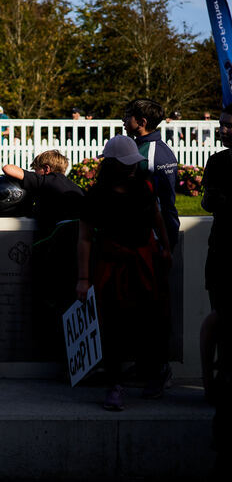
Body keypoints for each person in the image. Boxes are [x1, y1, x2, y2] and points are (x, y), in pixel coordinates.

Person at [76, 135, 172, 411]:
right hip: (111, 264)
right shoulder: (95, 195)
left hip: (144, 262)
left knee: (151, 320)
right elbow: (84, 237)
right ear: (112, 163)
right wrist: (83, 278)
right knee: (113, 324)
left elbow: (157, 217)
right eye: (126, 162)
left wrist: (165, 248)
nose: (131, 167)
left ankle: (154, 374)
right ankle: (115, 384)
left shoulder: (143, 188)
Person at [3, 150, 85, 359]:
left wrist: (34, 178)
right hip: (80, 246)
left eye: (36, 169)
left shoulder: (47, 181)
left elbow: (8, 170)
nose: (34, 173)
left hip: (59, 246)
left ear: (46, 169)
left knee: (53, 302)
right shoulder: (74, 186)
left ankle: (55, 355)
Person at [200, 105, 232, 399]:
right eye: (221, 124)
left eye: (229, 125)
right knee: (219, 316)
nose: (222, 129)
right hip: (222, 251)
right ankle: (213, 382)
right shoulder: (217, 161)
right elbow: (209, 201)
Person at [123, 98, 179, 250]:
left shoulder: (150, 153)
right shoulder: (157, 148)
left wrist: (166, 240)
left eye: (128, 116)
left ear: (142, 122)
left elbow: (164, 201)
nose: (123, 119)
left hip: (152, 236)